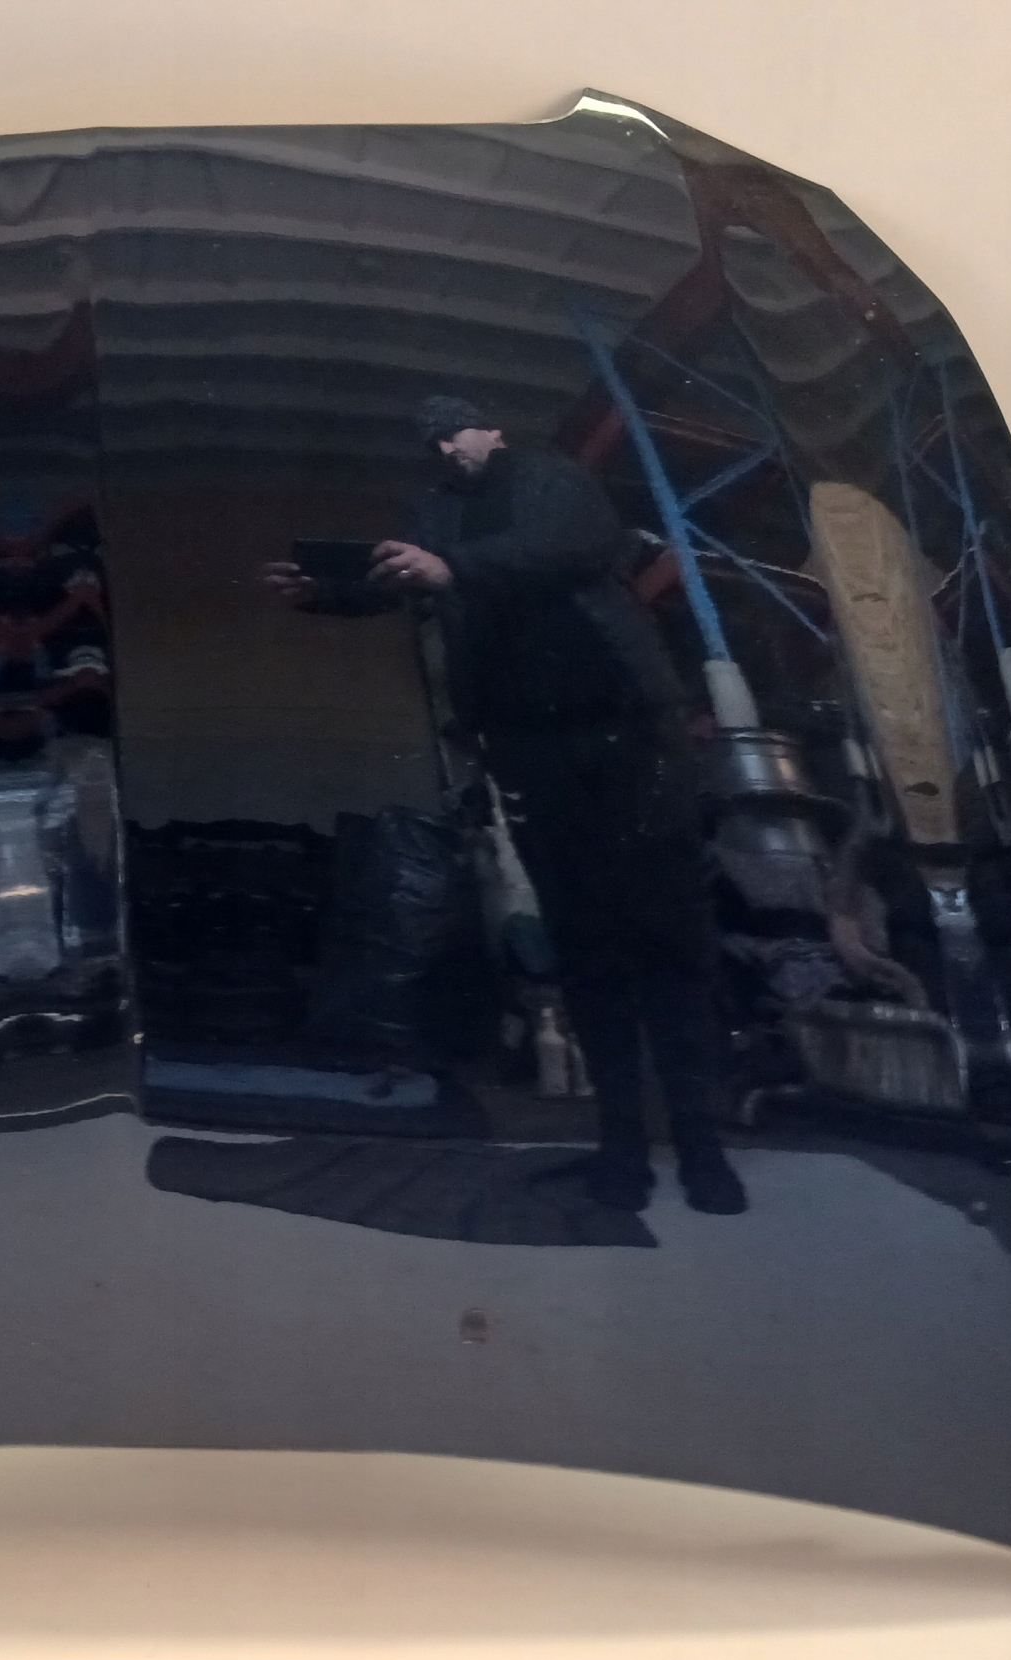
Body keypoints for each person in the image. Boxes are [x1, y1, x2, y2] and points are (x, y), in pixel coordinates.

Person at [259, 396, 748, 1215]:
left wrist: (450, 568)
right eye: (432, 438)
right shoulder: (436, 511)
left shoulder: (547, 477)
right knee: (583, 943)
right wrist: (327, 592)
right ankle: (622, 1146)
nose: (446, 446)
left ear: (492, 430)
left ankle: (702, 1148)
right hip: (527, 743)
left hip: (627, 729)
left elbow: (569, 546)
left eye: (456, 429)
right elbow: (407, 584)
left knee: (667, 935)